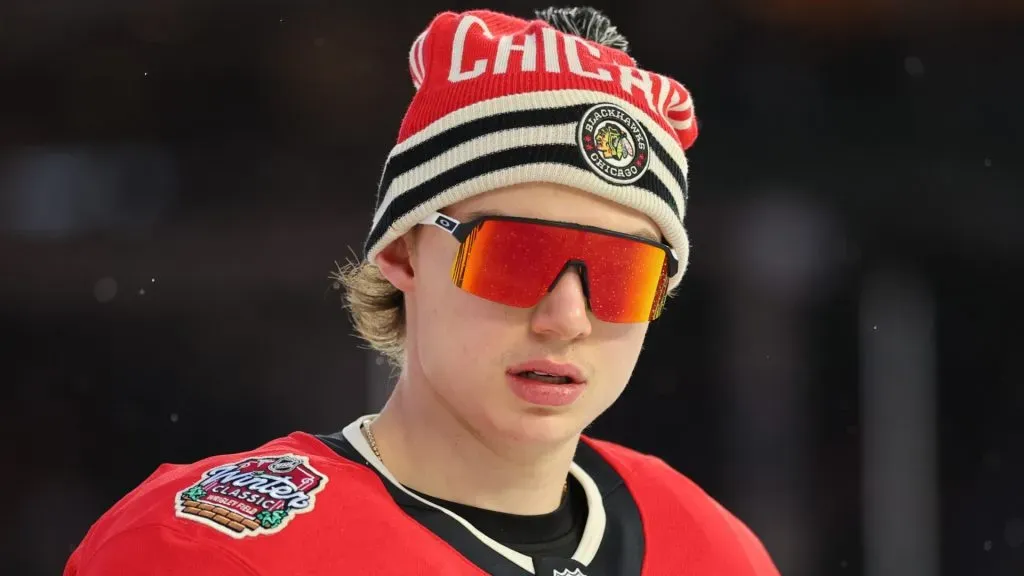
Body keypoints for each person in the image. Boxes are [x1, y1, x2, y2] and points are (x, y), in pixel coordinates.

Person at [64, 6, 780, 575]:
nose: (566, 318)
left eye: (624, 274)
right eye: (515, 254)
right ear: (402, 249)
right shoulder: (211, 552)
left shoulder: (715, 550)